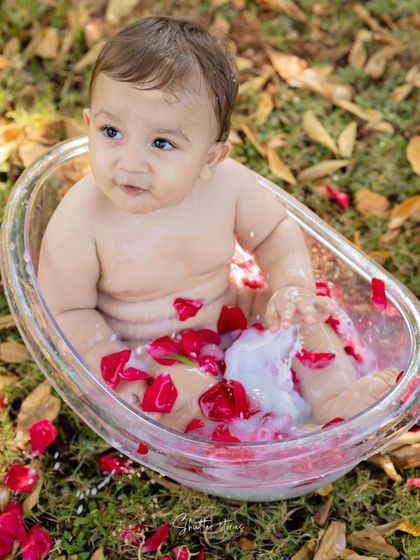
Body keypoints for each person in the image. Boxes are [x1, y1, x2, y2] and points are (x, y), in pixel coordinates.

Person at [38, 16, 397, 432]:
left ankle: (334, 397)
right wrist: (108, 363)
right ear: (88, 126)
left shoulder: (228, 188)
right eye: (112, 131)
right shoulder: (80, 219)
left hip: (232, 307)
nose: (130, 162)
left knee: (303, 323)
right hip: (149, 346)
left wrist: (290, 286)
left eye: (162, 143)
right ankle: (250, 440)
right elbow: (66, 310)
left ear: (210, 158)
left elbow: (274, 232)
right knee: (186, 390)